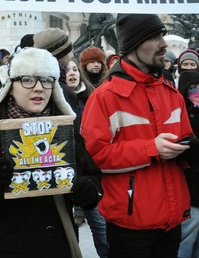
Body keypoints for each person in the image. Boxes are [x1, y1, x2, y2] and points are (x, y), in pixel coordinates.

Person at [0, 47, 103, 257]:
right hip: (0, 248)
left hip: (54, 246)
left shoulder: (65, 129)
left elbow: (93, 177)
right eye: (27, 79)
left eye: (47, 80)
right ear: (10, 86)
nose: (39, 88)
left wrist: (88, 191)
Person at [82, 14, 196, 258]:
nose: (163, 44)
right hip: (130, 226)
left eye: (162, 36)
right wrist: (151, 149)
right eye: (154, 37)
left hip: (173, 219)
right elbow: (95, 156)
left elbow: (184, 143)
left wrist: (192, 150)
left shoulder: (172, 93)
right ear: (133, 46)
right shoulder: (105, 97)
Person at [66, 58, 108, 257]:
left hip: (89, 170)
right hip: (66, 170)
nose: (72, 73)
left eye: (75, 69)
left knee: (99, 223)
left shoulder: (92, 96)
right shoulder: (55, 100)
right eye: (67, 70)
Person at [177, 70, 199, 258]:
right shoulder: (179, 116)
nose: (196, 92)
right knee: (186, 240)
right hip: (189, 192)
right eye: (192, 88)